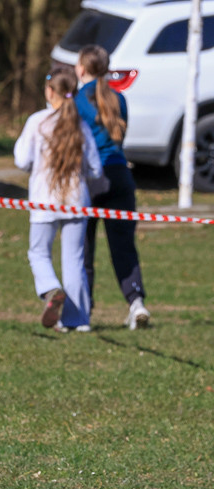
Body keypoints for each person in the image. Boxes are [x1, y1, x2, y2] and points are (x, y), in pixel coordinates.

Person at [14, 67, 103, 332]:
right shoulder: (81, 125)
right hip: (76, 200)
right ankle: (77, 321)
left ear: (50, 91)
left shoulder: (38, 122)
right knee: (74, 260)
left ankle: (51, 288)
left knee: (38, 252)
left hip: (44, 200)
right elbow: (95, 169)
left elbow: (21, 160)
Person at [75, 44, 151, 330]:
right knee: (123, 246)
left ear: (82, 68)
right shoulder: (119, 98)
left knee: (83, 247)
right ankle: (136, 302)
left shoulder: (77, 100)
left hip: (90, 178)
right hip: (120, 176)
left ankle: (83, 311)